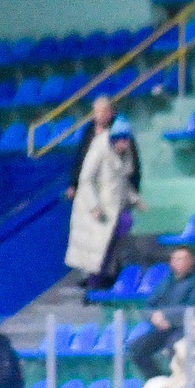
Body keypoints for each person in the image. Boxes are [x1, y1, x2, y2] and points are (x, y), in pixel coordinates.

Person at [65, 117, 138, 290]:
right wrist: (94, 207)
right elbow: (86, 180)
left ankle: (107, 276)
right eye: (123, 140)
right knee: (97, 251)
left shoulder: (124, 154)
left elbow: (122, 181)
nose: (125, 144)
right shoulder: (98, 150)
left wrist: (134, 199)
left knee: (120, 230)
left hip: (114, 206)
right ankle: (93, 285)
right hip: (96, 208)